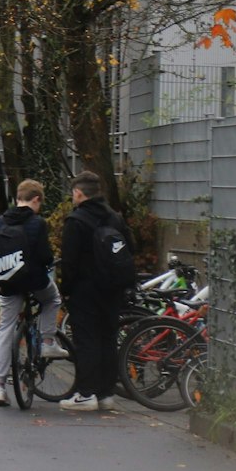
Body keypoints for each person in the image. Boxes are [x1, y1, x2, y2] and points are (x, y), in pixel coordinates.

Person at [59, 169, 135, 412]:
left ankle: (85, 393)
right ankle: (106, 393)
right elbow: (130, 248)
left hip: (85, 289)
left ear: (79, 193)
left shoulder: (77, 221)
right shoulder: (115, 218)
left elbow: (69, 261)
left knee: (87, 340)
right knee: (108, 338)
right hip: (112, 289)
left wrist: (66, 289)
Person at [0, 178, 66, 406]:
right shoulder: (37, 223)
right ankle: (47, 341)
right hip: (33, 281)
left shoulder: (0, 221)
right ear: (36, 199)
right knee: (53, 299)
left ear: (16, 198)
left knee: (5, 328)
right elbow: (44, 257)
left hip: (7, 282)